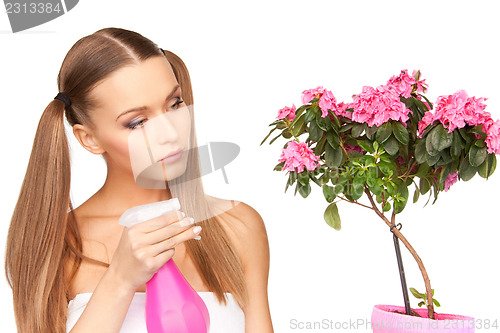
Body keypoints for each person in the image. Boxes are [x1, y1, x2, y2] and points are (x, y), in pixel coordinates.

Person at [4, 27, 273, 333]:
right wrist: (119, 280)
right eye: (137, 122)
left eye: (174, 104)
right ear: (90, 139)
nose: (171, 132)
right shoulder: (56, 245)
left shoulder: (237, 225)